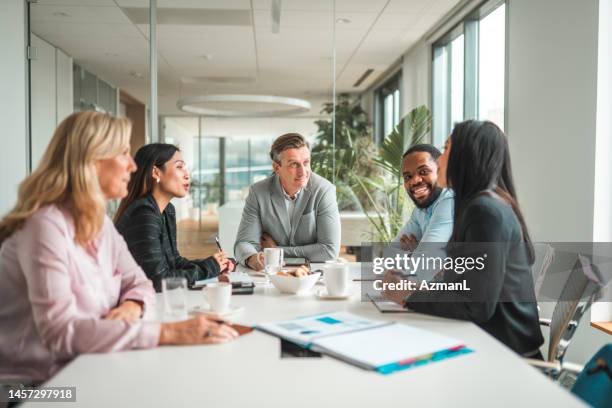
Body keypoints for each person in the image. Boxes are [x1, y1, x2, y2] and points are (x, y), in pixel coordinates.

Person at [0, 112, 237, 383]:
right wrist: (168, 333)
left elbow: (141, 283)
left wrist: (133, 305)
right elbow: (61, 333)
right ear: (91, 159)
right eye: (123, 153)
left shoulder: (97, 222)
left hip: (92, 363)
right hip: (36, 388)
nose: (132, 166)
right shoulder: (44, 226)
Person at [383, 120, 544, 357]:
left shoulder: (484, 211)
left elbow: (475, 305)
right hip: (487, 340)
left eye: (446, 149)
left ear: (464, 157)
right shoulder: (478, 204)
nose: (439, 159)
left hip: (506, 356)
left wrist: (408, 294)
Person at [114, 143, 235, 292]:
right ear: (156, 173)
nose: (187, 174)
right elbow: (158, 280)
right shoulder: (143, 214)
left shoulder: (166, 210)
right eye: (179, 167)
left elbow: (174, 262)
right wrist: (209, 268)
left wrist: (216, 263)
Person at [234, 133, 340, 270]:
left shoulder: (324, 190)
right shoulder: (258, 192)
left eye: (306, 162)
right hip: (271, 274)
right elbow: (244, 243)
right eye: (294, 164)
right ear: (277, 168)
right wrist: (253, 259)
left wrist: (276, 251)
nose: (303, 172)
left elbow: (329, 250)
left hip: (312, 274)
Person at [392, 144, 454, 277]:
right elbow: (389, 257)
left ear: (440, 170)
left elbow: (422, 268)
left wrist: (416, 255)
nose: (414, 181)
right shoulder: (421, 209)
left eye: (423, 172)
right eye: (408, 177)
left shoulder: (449, 201)